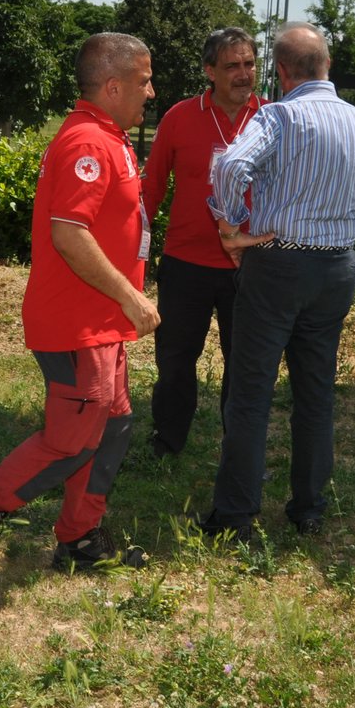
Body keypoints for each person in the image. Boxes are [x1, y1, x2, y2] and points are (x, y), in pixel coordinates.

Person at [0, 32, 161, 571]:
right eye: (144, 81)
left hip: (102, 322)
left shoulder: (109, 137)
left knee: (111, 428)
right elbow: (70, 234)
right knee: (72, 439)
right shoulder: (87, 144)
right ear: (112, 86)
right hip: (76, 324)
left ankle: (80, 538)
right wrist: (132, 297)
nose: (151, 93)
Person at [195, 22, 355, 542]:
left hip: (278, 263)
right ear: (326, 65)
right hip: (337, 266)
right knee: (316, 392)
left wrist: (231, 227)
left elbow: (231, 166)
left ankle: (234, 515)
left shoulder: (280, 116)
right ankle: (309, 508)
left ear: (280, 72)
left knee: (252, 393)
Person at [141, 27, 266, 458]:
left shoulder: (273, 118)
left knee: (246, 365)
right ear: (209, 70)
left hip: (251, 266)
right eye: (232, 65)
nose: (243, 73)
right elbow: (151, 189)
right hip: (185, 263)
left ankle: (241, 448)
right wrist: (133, 254)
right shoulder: (179, 117)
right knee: (175, 362)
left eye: (249, 63)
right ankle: (167, 441)